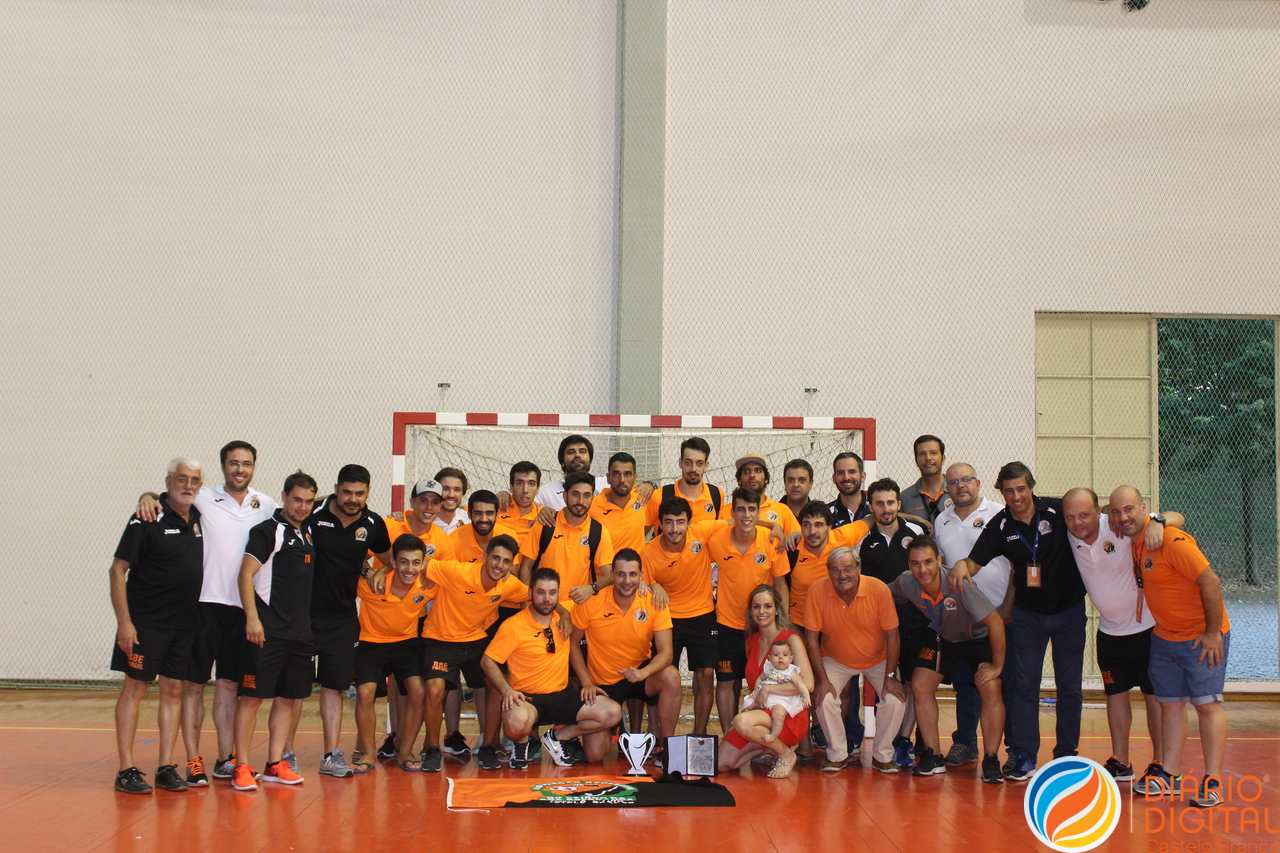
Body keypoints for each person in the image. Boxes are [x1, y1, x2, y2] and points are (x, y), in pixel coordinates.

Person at [134, 440, 277, 785]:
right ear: (223, 466)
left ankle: (225, 759)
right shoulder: (203, 497)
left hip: (244, 608)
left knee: (229, 685)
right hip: (204, 606)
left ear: (253, 467)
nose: (239, 469)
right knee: (194, 687)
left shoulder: (266, 504)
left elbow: (300, 515)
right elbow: (166, 496)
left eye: (245, 463)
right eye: (233, 463)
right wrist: (146, 496)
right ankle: (192, 760)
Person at [950, 462, 1095, 781]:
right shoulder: (1000, 525)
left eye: (1021, 489)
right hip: (1028, 615)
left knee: (1069, 687)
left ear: (1031, 487)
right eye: (1009, 490)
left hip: (1069, 612)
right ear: (1001, 491)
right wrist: (961, 566)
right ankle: (1024, 755)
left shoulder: (1059, 512)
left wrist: (1156, 519)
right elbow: (973, 561)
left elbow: (1101, 513)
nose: (1016, 496)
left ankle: (1066, 755)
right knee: (1024, 686)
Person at [1110, 486, 1231, 808]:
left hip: (1201, 637)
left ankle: (1213, 779)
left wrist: (1212, 633)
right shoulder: (1138, 541)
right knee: (1171, 705)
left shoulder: (1171, 540)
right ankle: (1170, 774)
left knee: (1207, 705)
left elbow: (1211, 582)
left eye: (1129, 510)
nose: (1123, 517)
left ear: (1144, 509)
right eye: (1116, 511)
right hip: (1164, 638)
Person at [1063, 488, 1182, 784]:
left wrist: (1159, 521)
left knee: (1153, 697)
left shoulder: (1116, 526)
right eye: (1070, 517)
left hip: (1147, 630)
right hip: (1109, 632)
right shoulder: (1068, 536)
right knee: (1115, 696)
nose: (1077, 522)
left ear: (1098, 511)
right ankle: (1121, 761)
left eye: (1084, 515)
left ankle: (1160, 762)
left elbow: (1178, 518)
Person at [287, 464, 393, 779]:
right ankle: (285, 755)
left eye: (359, 493)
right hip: (302, 616)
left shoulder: (373, 524)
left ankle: (331, 755)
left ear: (368, 493)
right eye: (346, 491)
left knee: (334, 688)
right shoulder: (313, 511)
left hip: (343, 619)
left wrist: (374, 571)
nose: (352, 498)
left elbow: (388, 561)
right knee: (295, 690)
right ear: (336, 489)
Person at [110, 458, 206, 794]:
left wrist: (148, 494)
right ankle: (125, 770)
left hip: (184, 625)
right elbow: (117, 570)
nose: (189, 485)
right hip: (146, 625)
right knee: (135, 690)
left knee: (174, 691)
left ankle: (165, 767)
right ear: (168, 482)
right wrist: (125, 623)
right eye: (182, 478)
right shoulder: (146, 517)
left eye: (195, 480)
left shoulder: (198, 515)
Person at [890, 536, 1006, 782]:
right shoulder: (906, 583)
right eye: (916, 563)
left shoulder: (958, 583)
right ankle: (933, 756)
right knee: (920, 685)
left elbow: (995, 623)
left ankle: (992, 759)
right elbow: (884, 594)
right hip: (944, 639)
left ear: (939, 560)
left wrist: (997, 667)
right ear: (909, 565)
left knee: (990, 686)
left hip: (978, 639)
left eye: (928, 562)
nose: (923, 569)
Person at [231, 471, 319, 791]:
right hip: (266, 633)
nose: (302, 506)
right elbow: (245, 576)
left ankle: (274, 764)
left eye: (309, 501)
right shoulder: (268, 531)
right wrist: (252, 620)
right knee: (252, 700)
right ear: (283, 496)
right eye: (297, 499)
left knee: (287, 700)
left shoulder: (308, 532)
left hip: (299, 634)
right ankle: (241, 765)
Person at [482, 569, 623, 768]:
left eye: (552, 593)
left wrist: (587, 683)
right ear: (530, 594)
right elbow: (487, 661)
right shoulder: (513, 626)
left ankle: (558, 736)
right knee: (515, 722)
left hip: (562, 695)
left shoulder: (566, 616)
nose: (546, 599)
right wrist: (507, 691)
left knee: (612, 712)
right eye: (541, 592)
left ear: (558, 594)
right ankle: (522, 743)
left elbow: (611, 592)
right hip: (528, 698)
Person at [416, 534, 530, 772]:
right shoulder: (458, 571)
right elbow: (420, 562)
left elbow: (534, 595)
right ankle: (433, 748)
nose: (499, 565)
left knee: (499, 686)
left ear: (511, 566)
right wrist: (384, 570)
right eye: (495, 558)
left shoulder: (508, 584)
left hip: (475, 640)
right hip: (439, 639)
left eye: (505, 561)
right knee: (435, 691)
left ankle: (487, 745)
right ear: (485, 557)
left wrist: (566, 614)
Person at [930, 462, 1013, 769]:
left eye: (966, 480)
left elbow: (1014, 563)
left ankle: (1013, 749)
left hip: (1000, 614)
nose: (960, 485)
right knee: (966, 682)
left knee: (1006, 683)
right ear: (946, 489)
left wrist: (1006, 607)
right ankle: (965, 743)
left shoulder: (999, 514)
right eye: (953, 482)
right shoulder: (942, 520)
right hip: (962, 619)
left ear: (978, 483)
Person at [368, 478, 452, 761]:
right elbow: (361, 556)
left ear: (441, 506)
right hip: (389, 619)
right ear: (412, 503)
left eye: (435, 502)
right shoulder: (390, 527)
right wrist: (375, 571)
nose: (429, 507)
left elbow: (446, 577)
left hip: (423, 621)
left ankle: (413, 743)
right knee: (395, 685)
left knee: (414, 686)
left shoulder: (443, 540)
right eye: (423, 500)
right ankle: (396, 737)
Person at [806, 547, 906, 774]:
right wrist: (821, 680)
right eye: (836, 570)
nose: (842, 575)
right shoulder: (816, 591)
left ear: (859, 568)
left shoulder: (879, 589)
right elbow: (811, 638)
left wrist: (891, 676)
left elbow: (893, 636)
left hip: (878, 658)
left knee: (895, 700)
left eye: (848, 568)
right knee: (823, 698)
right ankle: (837, 754)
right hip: (835, 658)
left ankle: (882, 755)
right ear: (828, 572)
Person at [856, 478, 930, 768]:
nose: (885, 509)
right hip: (875, 626)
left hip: (914, 622)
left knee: (911, 683)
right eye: (879, 503)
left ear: (899, 504)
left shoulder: (917, 532)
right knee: (884, 685)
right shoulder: (862, 537)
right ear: (870, 506)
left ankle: (902, 740)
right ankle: (882, 744)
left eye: (890, 502)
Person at [570, 549, 682, 739]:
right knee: (595, 755)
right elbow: (572, 644)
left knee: (671, 676)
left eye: (632, 574)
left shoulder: (654, 602)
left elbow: (666, 653)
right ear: (612, 575)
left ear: (641, 576)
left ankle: (666, 747)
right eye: (621, 574)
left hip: (638, 675)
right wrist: (586, 683)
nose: (627, 581)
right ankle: (613, 720)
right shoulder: (590, 603)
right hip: (603, 683)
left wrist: (643, 673)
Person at [707, 487, 791, 733]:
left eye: (752, 509)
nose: (746, 515)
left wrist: (783, 624)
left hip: (761, 627)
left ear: (758, 512)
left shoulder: (771, 541)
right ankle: (729, 737)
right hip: (726, 624)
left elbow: (780, 585)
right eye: (741, 509)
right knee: (725, 683)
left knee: (766, 683)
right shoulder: (716, 540)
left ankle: (765, 736)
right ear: (732, 512)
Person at [640, 496, 726, 735]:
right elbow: (641, 585)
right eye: (668, 522)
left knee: (707, 673)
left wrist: (776, 527)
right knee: (664, 675)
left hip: (703, 615)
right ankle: (657, 736)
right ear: (660, 524)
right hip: (667, 620)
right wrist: (653, 585)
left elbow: (739, 521)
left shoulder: (702, 531)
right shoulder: (649, 552)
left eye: (680, 522)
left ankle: (699, 736)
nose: (674, 529)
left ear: (690, 523)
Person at [718, 585, 816, 779]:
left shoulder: (791, 639)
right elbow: (757, 685)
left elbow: (809, 684)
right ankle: (769, 749)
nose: (762, 612)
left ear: (777, 610)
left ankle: (786, 754)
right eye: (756, 607)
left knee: (742, 722)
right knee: (723, 763)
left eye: (767, 606)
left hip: (788, 716)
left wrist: (770, 689)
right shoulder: (751, 642)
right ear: (750, 612)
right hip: (763, 715)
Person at [352, 534, 432, 771]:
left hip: (406, 644)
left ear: (423, 563)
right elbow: (350, 558)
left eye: (416, 563)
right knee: (365, 693)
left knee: (418, 692)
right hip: (370, 643)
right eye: (403, 562)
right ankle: (367, 753)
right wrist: (374, 570)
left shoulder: (427, 584)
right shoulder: (373, 584)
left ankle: (405, 751)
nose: (410, 569)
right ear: (394, 563)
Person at [441, 489, 503, 757]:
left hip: (490, 622)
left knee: (485, 683)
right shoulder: (455, 541)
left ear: (497, 515)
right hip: (458, 622)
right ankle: (450, 736)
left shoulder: (504, 541)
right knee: (450, 682)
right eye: (478, 512)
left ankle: (489, 740)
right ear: (469, 513)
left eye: (489, 513)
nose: (483, 518)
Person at [520, 471, 616, 602]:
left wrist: (592, 588)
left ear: (592, 498)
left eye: (586, 495)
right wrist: (526, 603)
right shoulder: (546, 524)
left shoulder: (598, 532)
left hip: (577, 611)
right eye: (575, 494)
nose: (580, 501)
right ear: (565, 496)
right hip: (543, 607)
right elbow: (526, 567)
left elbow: (609, 574)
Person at [741, 639, 811, 745]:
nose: (780, 657)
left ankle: (774, 735)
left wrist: (806, 696)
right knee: (748, 705)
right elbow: (760, 679)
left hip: (781, 699)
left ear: (791, 658)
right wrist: (756, 690)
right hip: (765, 697)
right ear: (770, 658)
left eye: (785, 655)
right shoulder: (768, 669)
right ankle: (738, 723)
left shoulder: (791, 672)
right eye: (776, 655)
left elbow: (800, 684)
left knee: (779, 714)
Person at [645, 436, 724, 525]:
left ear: (706, 466)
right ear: (680, 463)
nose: (693, 469)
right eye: (688, 463)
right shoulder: (660, 496)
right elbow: (640, 534)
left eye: (699, 463)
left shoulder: (716, 494)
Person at [718, 455, 799, 536]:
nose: (752, 475)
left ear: (766, 479)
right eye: (746, 471)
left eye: (758, 471)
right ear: (739, 480)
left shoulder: (782, 510)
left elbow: (798, 541)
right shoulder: (726, 511)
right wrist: (771, 525)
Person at [589, 452, 649, 552]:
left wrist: (651, 485)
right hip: (605, 567)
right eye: (616, 474)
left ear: (635, 478)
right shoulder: (591, 506)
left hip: (637, 567)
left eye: (627, 474)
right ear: (608, 478)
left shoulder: (643, 498)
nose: (622, 480)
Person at [535, 434, 610, 512]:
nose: (577, 455)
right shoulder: (546, 492)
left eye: (582, 451)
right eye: (571, 452)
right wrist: (541, 511)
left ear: (590, 460)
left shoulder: (606, 484)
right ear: (562, 462)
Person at [899, 435, 951, 525]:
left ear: (943, 458)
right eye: (922, 454)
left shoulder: (957, 492)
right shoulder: (904, 498)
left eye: (933, 453)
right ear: (916, 461)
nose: (928, 458)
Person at [495, 461, 543, 550]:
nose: (525, 490)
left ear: (537, 489)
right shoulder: (496, 508)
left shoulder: (542, 516)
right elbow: (467, 511)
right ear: (511, 487)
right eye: (520, 483)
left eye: (531, 484)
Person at [828, 451, 871, 528]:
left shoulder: (876, 510)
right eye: (841, 473)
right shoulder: (825, 514)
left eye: (852, 472)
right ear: (834, 478)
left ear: (863, 476)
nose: (846, 478)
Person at [433, 467, 471, 535]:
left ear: (463, 493)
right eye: (445, 489)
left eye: (457, 490)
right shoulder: (425, 520)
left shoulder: (469, 520)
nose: (451, 495)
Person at [780, 459, 815, 524]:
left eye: (801, 480)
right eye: (791, 480)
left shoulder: (820, 515)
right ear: (785, 482)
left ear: (811, 483)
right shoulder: (773, 514)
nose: (795, 485)